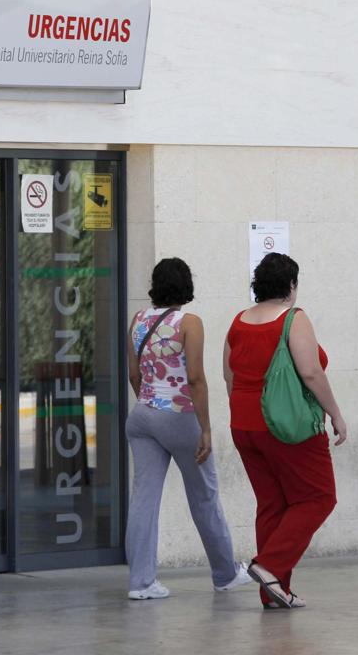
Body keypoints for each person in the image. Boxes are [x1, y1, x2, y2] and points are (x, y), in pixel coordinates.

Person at [225, 253, 346, 610]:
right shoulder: (293, 319)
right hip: (287, 426)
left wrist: (247, 412)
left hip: (244, 426)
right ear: (291, 286)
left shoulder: (238, 322)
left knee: (272, 504)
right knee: (318, 498)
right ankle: (270, 566)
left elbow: (228, 376)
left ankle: (274, 592)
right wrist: (335, 414)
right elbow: (310, 372)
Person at [124, 257, 251, 600]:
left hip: (142, 416)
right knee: (204, 495)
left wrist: (150, 403)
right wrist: (205, 429)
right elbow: (195, 379)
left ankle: (141, 582)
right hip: (180, 417)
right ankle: (225, 574)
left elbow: (134, 375)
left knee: (144, 499)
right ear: (186, 286)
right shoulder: (189, 323)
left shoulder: (137, 320)